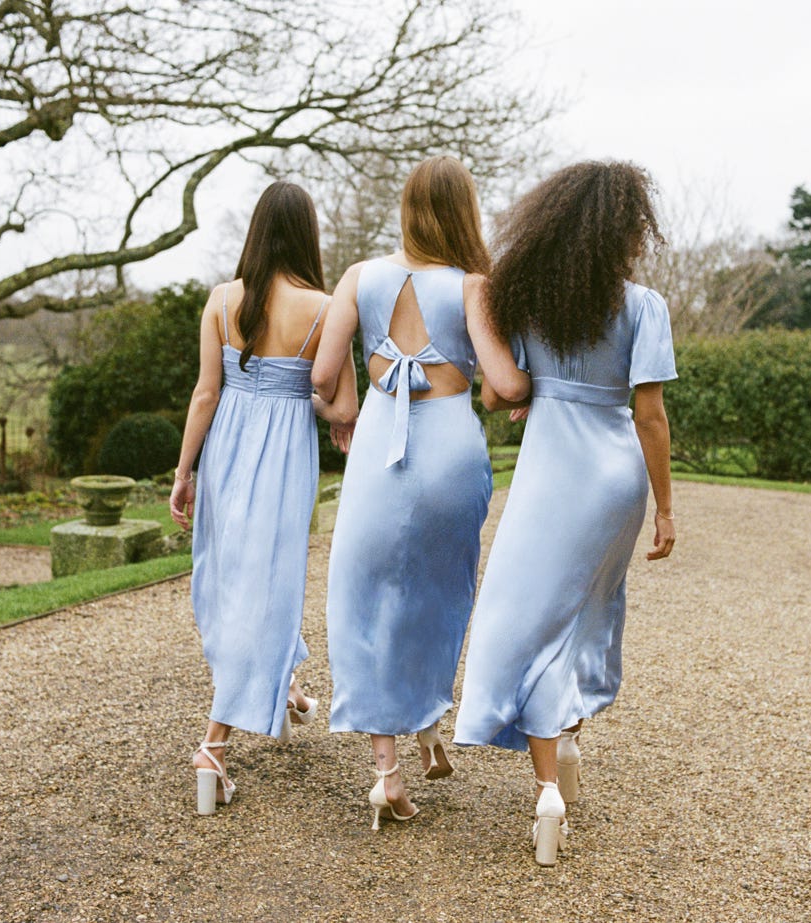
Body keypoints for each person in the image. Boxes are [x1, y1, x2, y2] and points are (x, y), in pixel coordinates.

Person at [452, 160, 677, 866]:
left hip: (549, 469)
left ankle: (548, 786)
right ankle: (569, 741)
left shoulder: (533, 304)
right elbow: (650, 415)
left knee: (531, 613)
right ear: (626, 230)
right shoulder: (643, 306)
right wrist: (666, 507)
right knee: (584, 608)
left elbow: (497, 395)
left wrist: (501, 346)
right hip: (616, 476)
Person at [311, 155, 531, 830]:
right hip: (448, 452)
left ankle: (387, 769)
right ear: (464, 212)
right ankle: (429, 712)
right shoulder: (472, 286)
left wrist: (346, 404)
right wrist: (513, 386)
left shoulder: (358, 277)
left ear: (407, 209)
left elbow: (322, 374)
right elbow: (508, 385)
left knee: (365, 593)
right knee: (440, 593)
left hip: (379, 444)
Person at [170, 181, 358, 816]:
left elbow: (205, 394)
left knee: (233, 580)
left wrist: (183, 469)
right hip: (283, 457)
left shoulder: (223, 300)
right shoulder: (327, 308)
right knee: (269, 580)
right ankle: (214, 746)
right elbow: (345, 406)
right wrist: (300, 397)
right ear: (308, 235)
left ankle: (284, 688)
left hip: (224, 450)